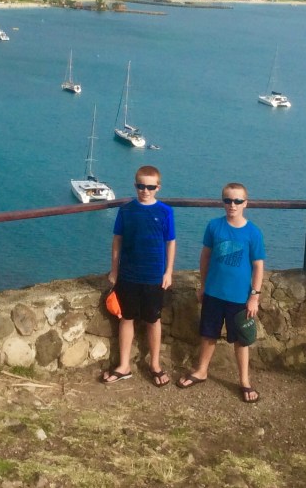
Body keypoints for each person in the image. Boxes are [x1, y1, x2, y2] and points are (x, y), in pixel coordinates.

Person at [178, 182, 265, 403]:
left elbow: (258, 266)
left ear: (245, 203)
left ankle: (244, 380)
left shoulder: (253, 233)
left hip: (239, 298)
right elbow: (205, 257)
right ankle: (201, 371)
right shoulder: (214, 226)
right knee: (208, 335)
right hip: (214, 293)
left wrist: (254, 296)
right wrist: (203, 285)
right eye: (228, 200)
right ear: (222, 202)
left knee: (241, 341)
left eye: (237, 201)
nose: (232, 205)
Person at [101, 165, 176, 387]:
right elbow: (117, 241)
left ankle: (155, 364)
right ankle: (124, 365)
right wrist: (114, 270)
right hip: (129, 274)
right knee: (126, 318)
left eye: (150, 187)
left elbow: (170, 242)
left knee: (154, 320)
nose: (145, 190)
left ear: (157, 188)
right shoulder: (126, 211)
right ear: (135, 185)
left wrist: (169, 271)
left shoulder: (165, 212)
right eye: (141, 186)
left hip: (154, 276)